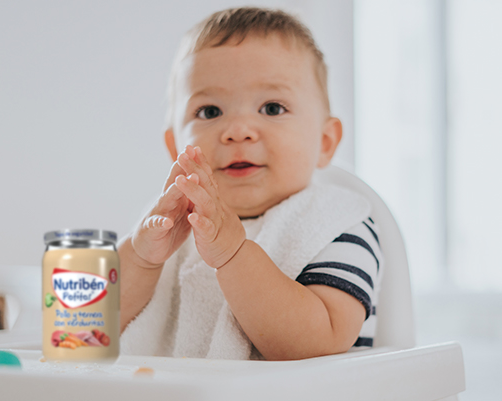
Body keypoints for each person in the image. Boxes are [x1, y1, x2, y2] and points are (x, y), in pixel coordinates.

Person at [118, 7, 382, 361]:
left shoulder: (337, 225)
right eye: (210, 111)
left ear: (325, 142)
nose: (238, 130)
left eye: (272, 108)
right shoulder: (170, 224)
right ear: (175, 147)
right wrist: (142, 259)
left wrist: (233, 255)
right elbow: (79, 331)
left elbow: (321, 340)